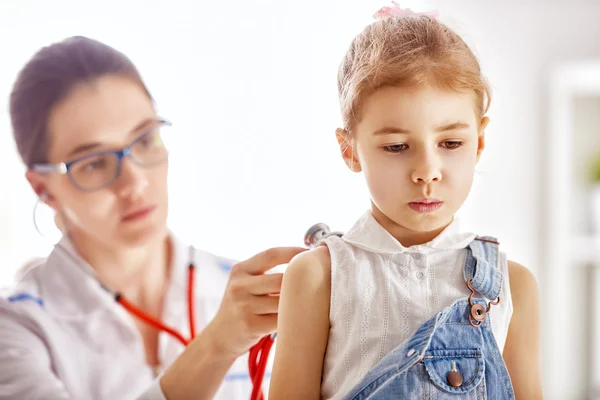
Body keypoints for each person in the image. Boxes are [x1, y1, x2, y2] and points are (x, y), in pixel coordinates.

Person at [0, 36, 305, 400]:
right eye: (94, 163)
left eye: (145, 140)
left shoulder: (255, 296)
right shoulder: (18, 329)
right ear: (42, 188)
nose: (135, 182)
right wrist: (216, 346)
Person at [269, 5, 543, 400]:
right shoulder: (319, 277)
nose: (427, 171)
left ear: (479, 142)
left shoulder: (512, 285)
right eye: (396, 146)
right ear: (350, 150)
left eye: (451, 143)